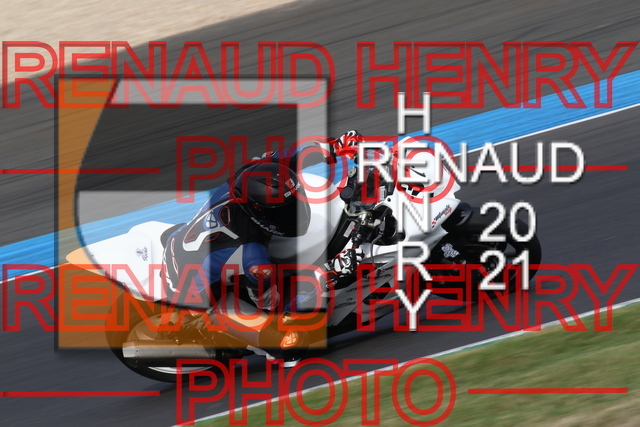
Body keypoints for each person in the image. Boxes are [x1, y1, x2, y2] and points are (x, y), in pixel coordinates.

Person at [161, 131, 364, 367]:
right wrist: (328, 273)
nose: (293, 213)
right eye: (282, 212)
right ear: (258, 213)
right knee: (290, 343)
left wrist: (336, 146)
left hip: (190, 244)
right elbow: (272, 307)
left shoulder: (248, 176)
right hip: (195, 294)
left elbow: (285, 157)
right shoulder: (253, 258)